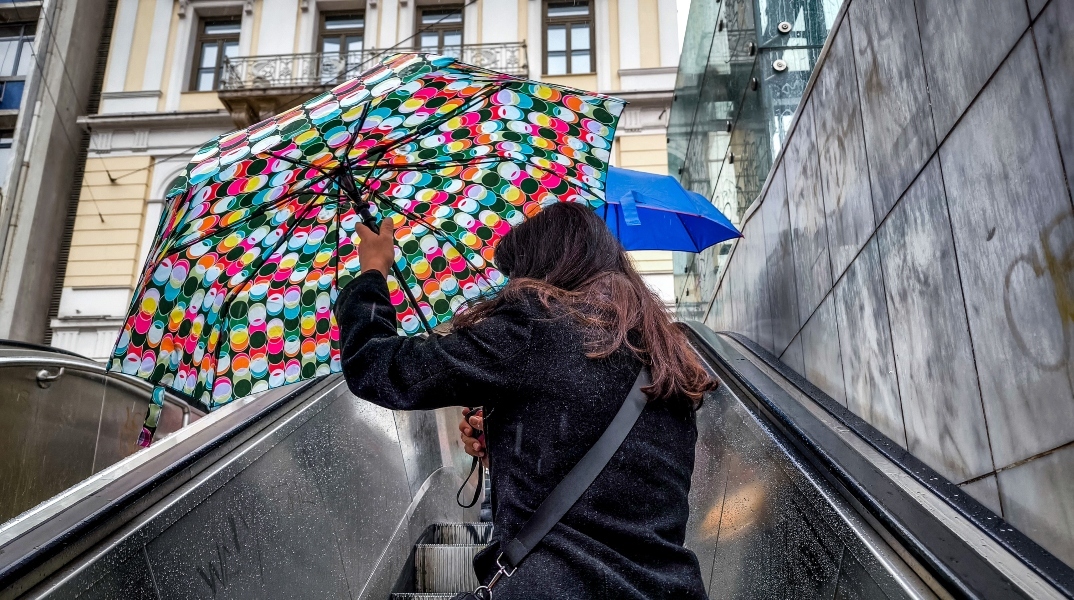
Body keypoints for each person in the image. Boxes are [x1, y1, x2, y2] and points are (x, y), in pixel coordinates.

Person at [335, 201, 716, 599]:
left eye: (516, 275)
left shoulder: (536, 327)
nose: (513, 287)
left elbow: (378, 368)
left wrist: (373, 272)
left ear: (543, 269)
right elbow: (623, 491)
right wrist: (509, 441)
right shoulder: (665, 360)